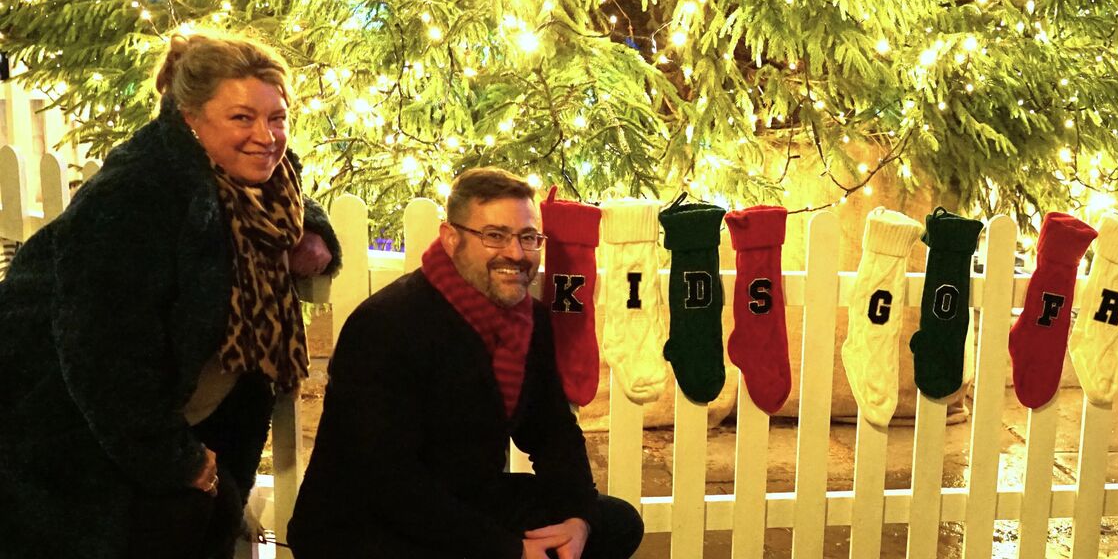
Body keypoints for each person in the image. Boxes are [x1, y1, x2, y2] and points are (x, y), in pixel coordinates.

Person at [0, 31, 340, 558]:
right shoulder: (138, 194)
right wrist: (176, 460)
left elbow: (286, 206)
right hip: (71, 432)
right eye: (242, 117)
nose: (266, 135)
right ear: (189, 117)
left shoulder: (260, 180)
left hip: (173, 425)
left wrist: (315, 234)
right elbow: (102, 352)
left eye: (277, 117)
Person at [287, 168, 643, 558]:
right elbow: (388, 480)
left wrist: (578, 520)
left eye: (528, 237)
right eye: (494, 235)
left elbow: (553, 431)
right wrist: (511, 550)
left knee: (616, 523)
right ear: (450, 238)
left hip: (465, 499)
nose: (516, 253)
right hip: (364, 522)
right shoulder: (388, 323)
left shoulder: (530, 321)